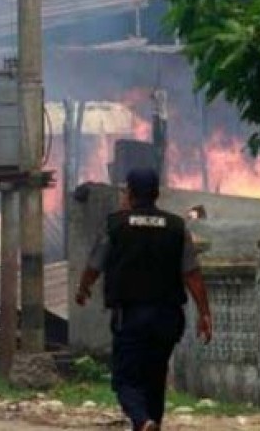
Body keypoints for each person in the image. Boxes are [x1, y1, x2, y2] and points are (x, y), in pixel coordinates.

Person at [75, 168, 212, 431]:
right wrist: (205, 313)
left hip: (132, 317)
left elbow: (95, 264)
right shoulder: (176, 226)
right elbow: (192, 274)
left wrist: (83, 289)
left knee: (125, 379)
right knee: (155, 377)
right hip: (168, 318)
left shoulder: (115, 224)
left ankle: (142, 420)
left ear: (130, 193)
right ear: (156, 194)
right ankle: (152, 423)